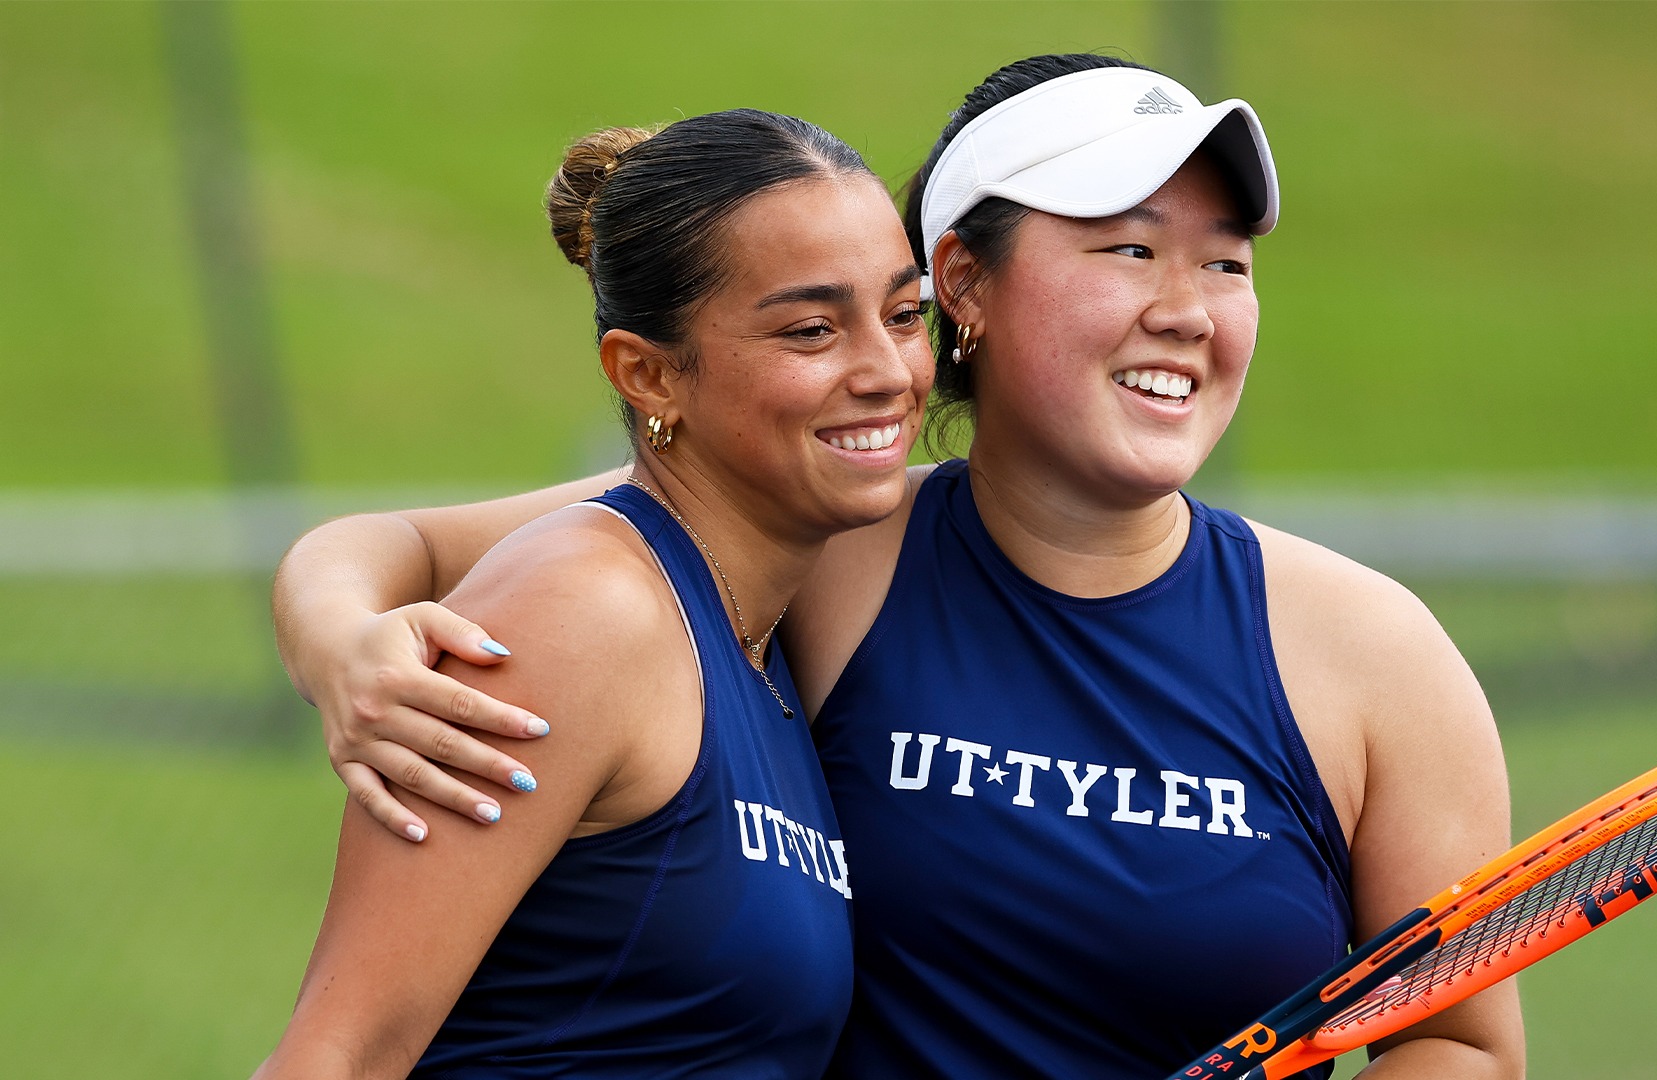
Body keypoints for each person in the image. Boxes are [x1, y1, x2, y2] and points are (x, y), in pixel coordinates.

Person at [272, 56, 1523, 1079]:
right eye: (1129, 251)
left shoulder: (1378, 656)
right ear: (966, 284)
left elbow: (1460, 1038)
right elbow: (417, 553)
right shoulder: (818, 540)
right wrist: (340, 642)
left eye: (1227, 263)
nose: (1188, 308)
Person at [254, 109, 933, 1078]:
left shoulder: (756, 604)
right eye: (812, 329)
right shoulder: (590, 608)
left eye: (904, 314)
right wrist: (337, 646)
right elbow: (338, 1055)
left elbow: (390, 541)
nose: (888, 371)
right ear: (648, 375)